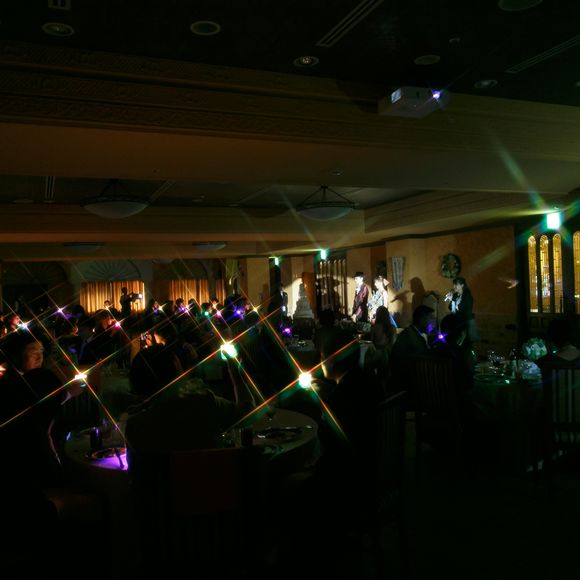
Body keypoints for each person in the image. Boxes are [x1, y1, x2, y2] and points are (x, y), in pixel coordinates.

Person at [444, 276, 477, 342]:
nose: (454, 286)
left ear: (462, 285)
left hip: (466, 323)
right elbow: (450, 308)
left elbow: (463, 310)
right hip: (457, 322)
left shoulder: (467, 296)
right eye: (453, 284)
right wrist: (451, 299)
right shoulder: (455, 295)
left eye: (456, 284)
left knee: (465, 341)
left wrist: (452, 299)